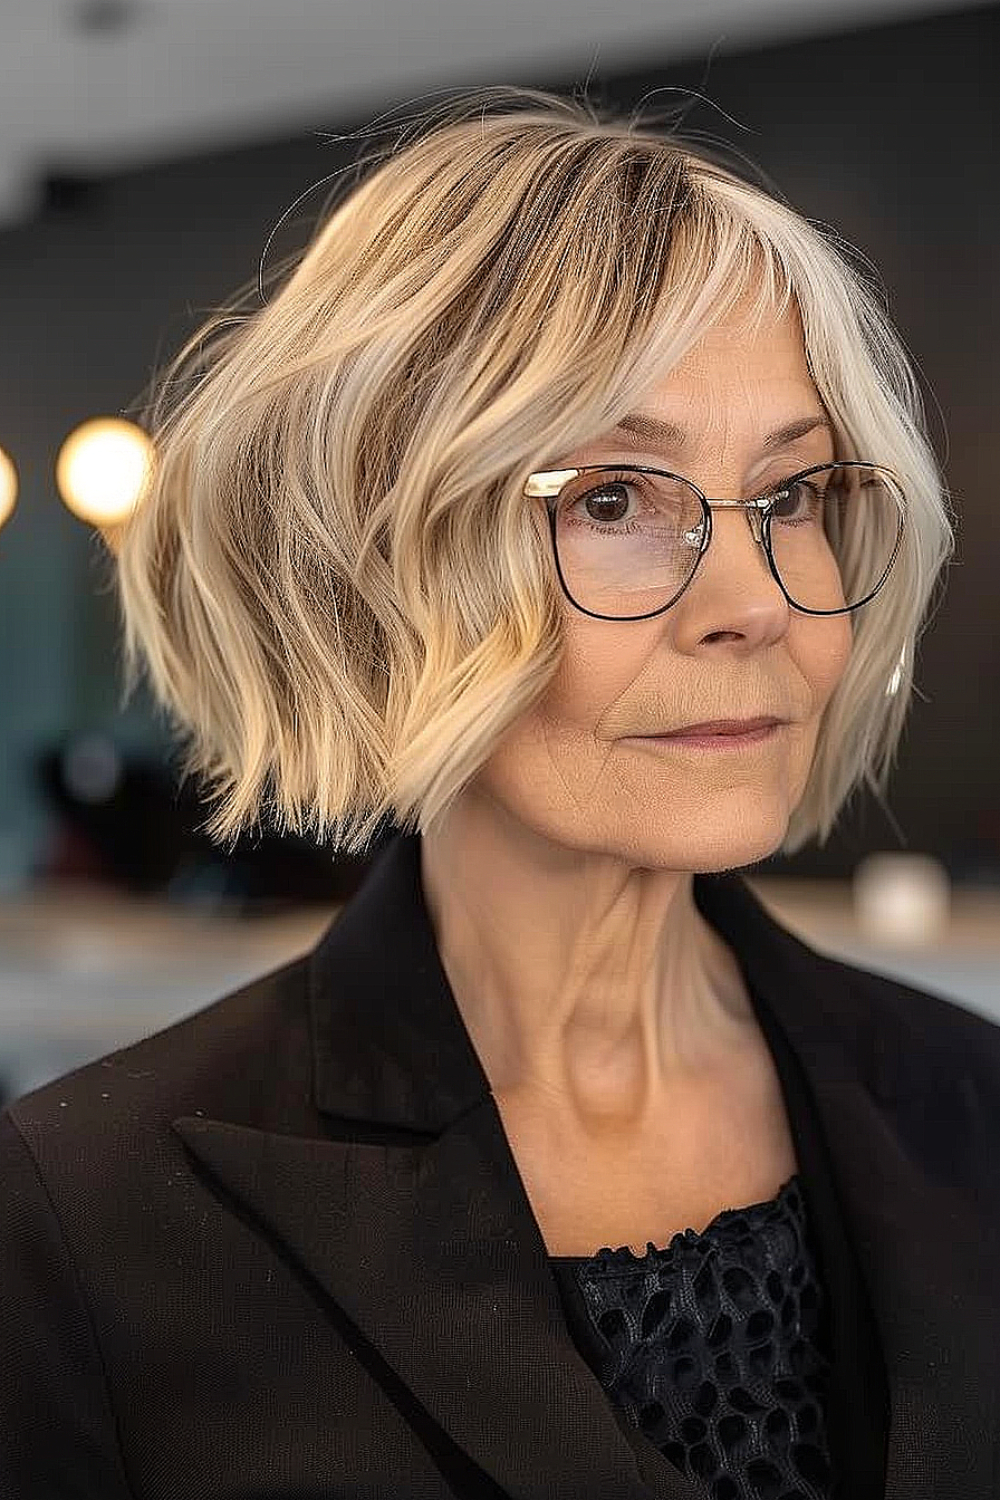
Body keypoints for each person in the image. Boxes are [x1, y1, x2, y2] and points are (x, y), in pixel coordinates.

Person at [1, 85, 995, 1500]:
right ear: (372, 570)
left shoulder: (968, 1104)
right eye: (610, 499)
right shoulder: (84, 1212)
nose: (751, 606)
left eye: (790, 499)